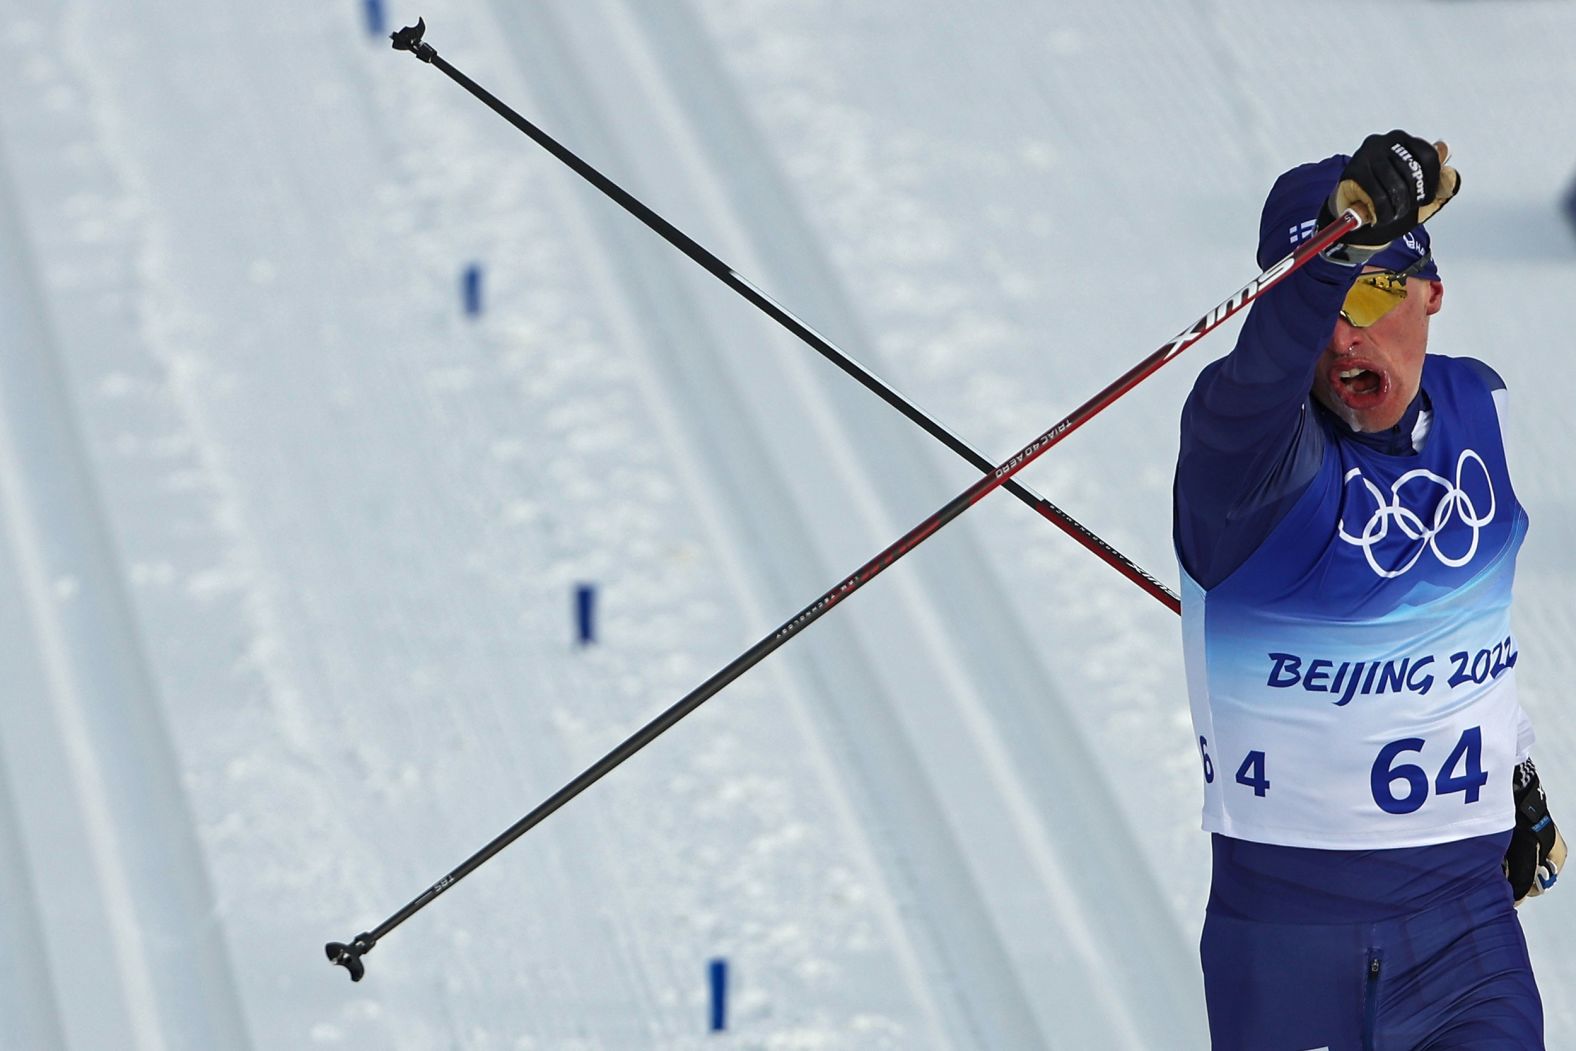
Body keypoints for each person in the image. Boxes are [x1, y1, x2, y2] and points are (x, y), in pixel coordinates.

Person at [1173, 130, 1567, 1049]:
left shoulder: (1474, 410)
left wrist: (1511, 766)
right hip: (1289, 956)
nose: (1343, 331)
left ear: (1431, 294)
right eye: (1317, 300)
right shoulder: (1247, 464)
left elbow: (1468, 640)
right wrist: (1334, 248)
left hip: (1465, 930)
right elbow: (1262, 371)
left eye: (1373, 288)